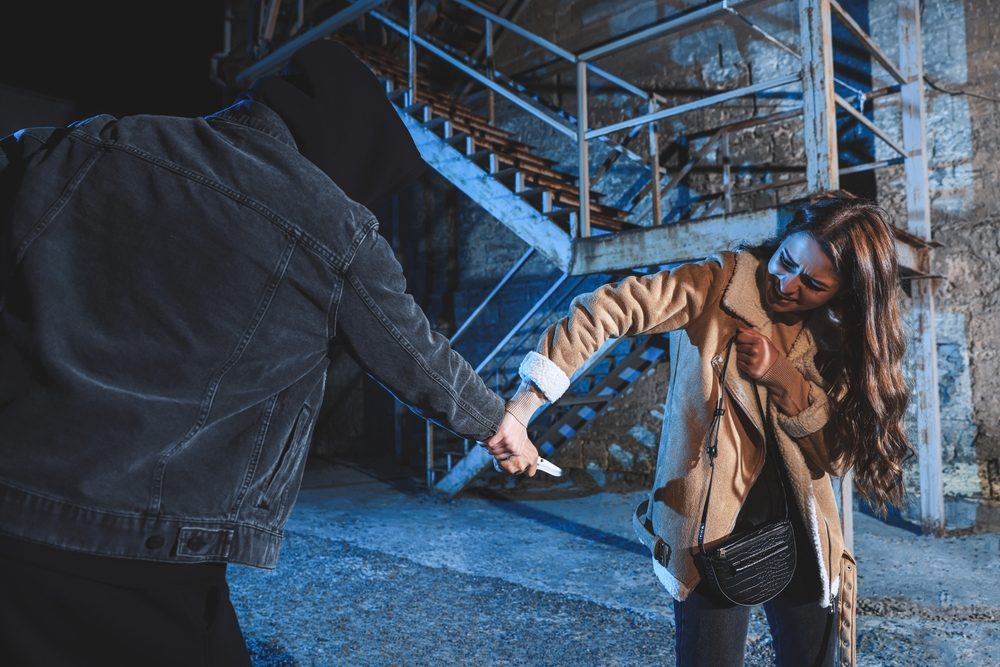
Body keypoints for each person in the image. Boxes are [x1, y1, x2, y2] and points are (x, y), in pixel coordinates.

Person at [0, 40, 529, 666]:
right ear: (347, 149)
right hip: (150, 540)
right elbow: (414, 353)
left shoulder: (95, 142)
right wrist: (496, 422)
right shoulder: (335, 226)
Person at [486, 192, 912, 666]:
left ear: (842, 293)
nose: (786, 284)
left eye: (812, 284)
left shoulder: (838, 338)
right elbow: (608, 310)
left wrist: (782, 377)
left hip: (806, 536)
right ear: (782, 239)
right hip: (712, 534)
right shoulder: (718, 283)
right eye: (786, 260)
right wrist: (524, 405)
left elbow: (834, 457)